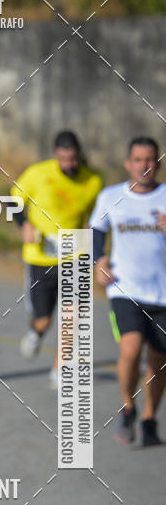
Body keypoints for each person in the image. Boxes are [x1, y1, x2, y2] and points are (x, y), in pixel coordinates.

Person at [90, 137, 166, 446]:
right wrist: (99, 260)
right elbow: (95, 232)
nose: (144, 165)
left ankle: (149, 418)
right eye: (138, 159)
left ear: (158, 164)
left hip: (162, 293)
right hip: (125, 289)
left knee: (158, 362)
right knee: (130, 351)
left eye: (150, 160)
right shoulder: (111, 196)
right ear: (127, 163)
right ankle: (127, 406)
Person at [12, 131, 102, 386]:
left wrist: (91, 232)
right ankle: (36, 333)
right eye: (63, 159)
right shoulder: (38, 173)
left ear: (79, 156)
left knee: (72, 315)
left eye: (73, 159)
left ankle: (58, 369)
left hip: (75, 255)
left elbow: (96, 215)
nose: (69, 164)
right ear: (56, 155)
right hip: (40, 257)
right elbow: (13, 201)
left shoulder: (93, 181)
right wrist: (25, 225)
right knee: (44, 319)